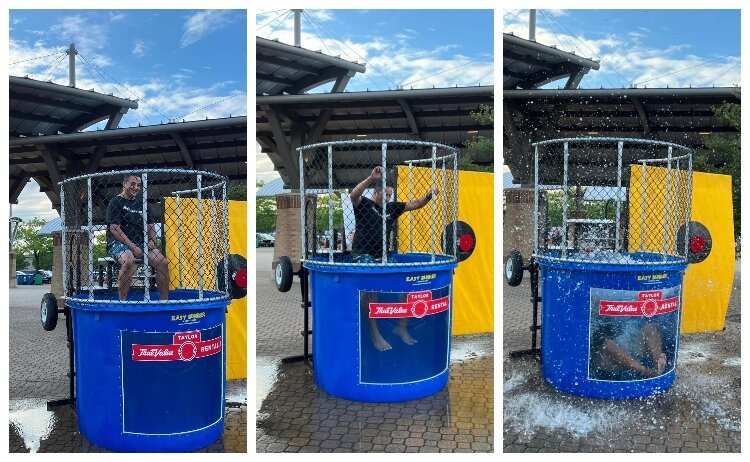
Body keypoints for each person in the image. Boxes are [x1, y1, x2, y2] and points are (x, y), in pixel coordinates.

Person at [349, 166, 436, 351]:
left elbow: (415, 204)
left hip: (382, 255)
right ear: (376, 192)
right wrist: (371, 178)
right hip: (362, 254)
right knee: (370, 291)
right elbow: (353, 195)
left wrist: (428, 196)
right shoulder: (364, 204)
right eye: (385, 195)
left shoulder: (392, 208)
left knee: (405, 284)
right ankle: (375, 333)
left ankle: (401, 327)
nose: (388, 199)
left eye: (390, 195)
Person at [107, 174, 170, 301]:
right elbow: (114, 229)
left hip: (141, 243)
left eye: (138, 185)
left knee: (162, 262)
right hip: (120, 243)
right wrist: (132, 247)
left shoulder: (142, 203)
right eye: (132, 184)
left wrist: (152, 240)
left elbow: (151, 227)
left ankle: (164, 301)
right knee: (128, 260)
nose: (136, 187)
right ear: (124, 184)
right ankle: (122, 302)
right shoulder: (115, 202)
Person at [591, 320, 667, 380]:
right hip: (609, 363)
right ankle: (647, 372)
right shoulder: (597, 305)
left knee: (650, 328)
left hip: (629, 353)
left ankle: (658, 368)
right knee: (608, 345)